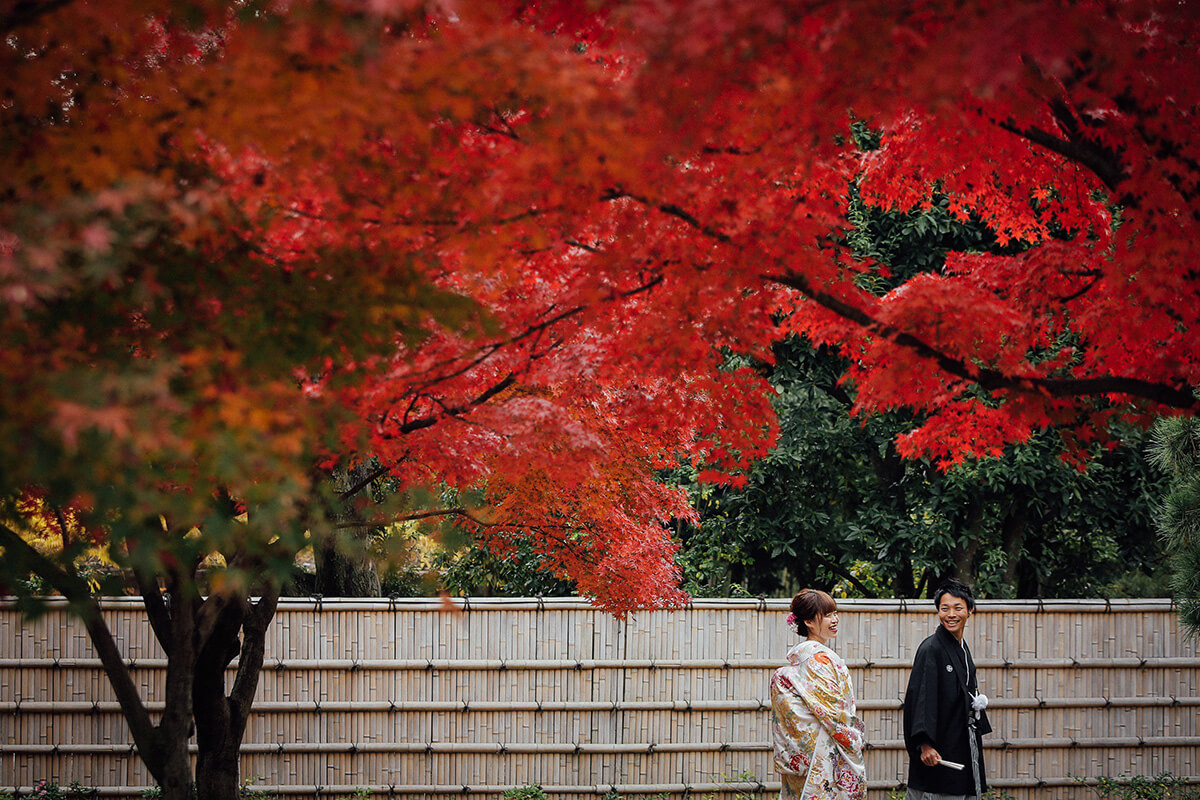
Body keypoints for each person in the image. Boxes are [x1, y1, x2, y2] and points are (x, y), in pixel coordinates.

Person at [770, 589, 867, 800]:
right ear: (809, 622)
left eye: (834, 613)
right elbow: (834, 713)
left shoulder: (803, 660)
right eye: (828, 615)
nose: (835, 619)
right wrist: (853, 736)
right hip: (822, 754)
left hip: (805, 754)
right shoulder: (817, 660)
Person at [903, 579, 992, 800]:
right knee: (938, 792)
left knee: (964, 790)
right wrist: (924, 744)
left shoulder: (961, 647)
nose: (951, 614)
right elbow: (921, 698)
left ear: (970, 610)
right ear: (938, 611)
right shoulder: (931, 648)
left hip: (960, 741)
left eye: (957, 608)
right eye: (945, 608)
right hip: (938, 748)